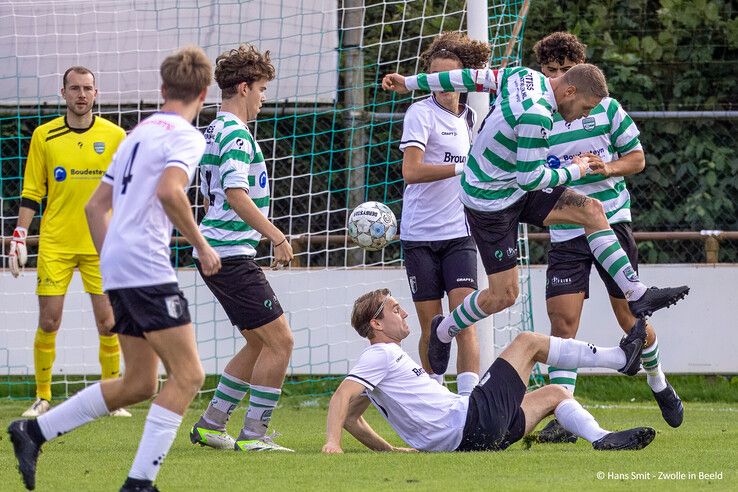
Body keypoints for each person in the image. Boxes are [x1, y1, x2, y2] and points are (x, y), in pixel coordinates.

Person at [381, 62, 689, 377]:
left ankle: (636, 293)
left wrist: (410, 82)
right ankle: (445, 328)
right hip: (490, 202)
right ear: (569, 91)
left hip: (515, 185)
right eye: (584, 108)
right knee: (504, 295)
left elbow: (470, 77)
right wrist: (579, 169)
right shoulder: (537, 116)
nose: (583, 116)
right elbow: (532, 179)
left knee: (592, 210)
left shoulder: (523, 75)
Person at [8, 45, 220, 492]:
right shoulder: (186, 135)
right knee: (190, 375)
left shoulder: (139, 133)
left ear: (163, 89)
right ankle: (139, 483)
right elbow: (169, 191)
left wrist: (111, 260)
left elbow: (94, 207)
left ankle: (34, 431)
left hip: (118, 264)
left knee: (141, 382)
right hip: (145, 266)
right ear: (204, 92)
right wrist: (201, 245)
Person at [530, 32, 683, 443]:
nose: (560, 79)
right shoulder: (538, 116)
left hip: (610, 222)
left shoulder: (607, 108)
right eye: (551, 71)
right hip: (565, 231)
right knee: (562, 324)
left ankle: (658, 380)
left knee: (630, 318)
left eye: (566, 70)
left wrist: (607, 168)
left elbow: (637, 159)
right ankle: (564, 414)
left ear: (578, 72)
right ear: (543, 73)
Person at [322, 289, 656, 453]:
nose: (405, 313)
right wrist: (331, 443)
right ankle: (619, 358)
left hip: (475, 438)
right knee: (527, 342)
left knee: (556, 393)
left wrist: (389, 451)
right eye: (395, 309)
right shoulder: (379, 355)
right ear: (376, 323)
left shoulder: (385, 361)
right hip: (470, 422)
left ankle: (601, 438)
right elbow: (342, 397)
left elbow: (351, 416)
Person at [188, 44, 294, 453]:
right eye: (263, 89)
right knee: (281, 341)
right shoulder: (234, 134)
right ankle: (255, 434)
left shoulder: (214, 129)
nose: (264, 98)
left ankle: (212, 424)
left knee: (258, 342)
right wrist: (277, 237)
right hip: (229, 254)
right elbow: (235, 194)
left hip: (220, 252)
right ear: (245, 87)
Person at [7, 66, 129, 418]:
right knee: (50, 321)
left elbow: (124, 192)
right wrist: (19, 235)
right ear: (63, 93)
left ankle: (110, 398)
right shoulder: (45, 136)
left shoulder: (116, 135)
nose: (81, 94)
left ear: (96, 93)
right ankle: (43, 396)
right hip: (56, 243)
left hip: (101, 245)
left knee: (108, 323)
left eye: (87, 88)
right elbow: (32, 192)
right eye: (74, 88)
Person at [398, 32, 490, 394]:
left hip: (460, 235)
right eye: (434, 77)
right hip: (419, 236)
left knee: (465, 321)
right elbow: (412, 171)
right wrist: (460, 169)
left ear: (464, 78)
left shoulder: (473, 118)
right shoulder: (420, 113)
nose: (442, 85)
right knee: (432, 326)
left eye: (449, 77)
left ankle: (469, 406)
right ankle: (433, 400)